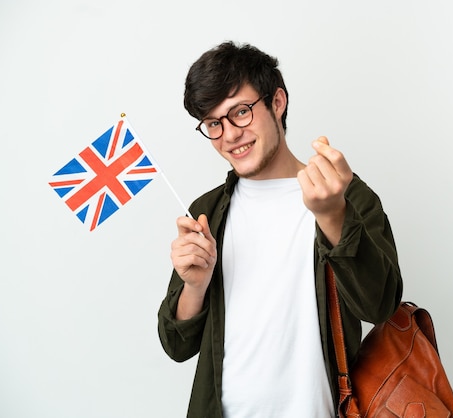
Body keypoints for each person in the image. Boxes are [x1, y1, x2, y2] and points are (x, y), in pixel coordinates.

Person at [157, 41, 403, 418]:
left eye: (240, 112)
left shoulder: (342, 193)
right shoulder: (207, 212)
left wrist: (333, 216)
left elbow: (380, 305)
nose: (229, 135)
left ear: (277, 102)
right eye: (213, 123)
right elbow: (176, 345)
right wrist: (195, 285)